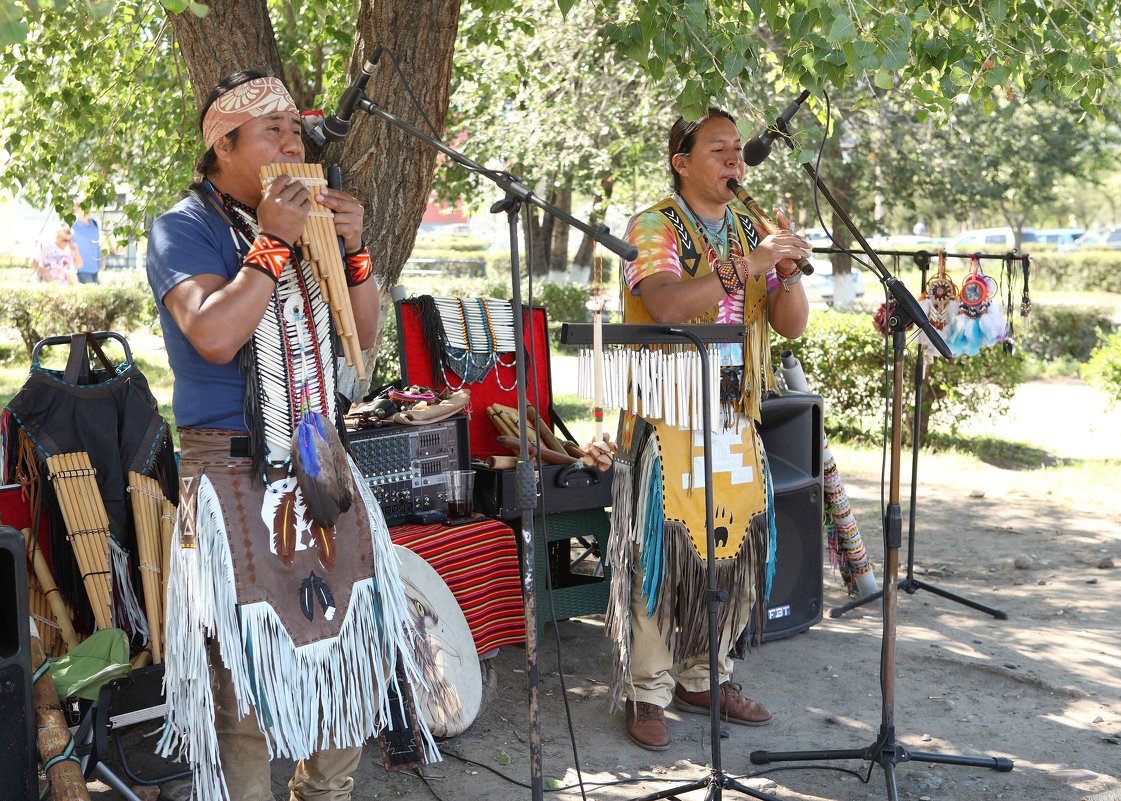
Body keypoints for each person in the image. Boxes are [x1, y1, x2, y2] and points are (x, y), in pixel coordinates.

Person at [146, 70, 434, 801]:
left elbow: (360, 338)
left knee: (348, 653)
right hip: (231, 469)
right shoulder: (183, 227)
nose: (291, 139)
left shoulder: (309, 227)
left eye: (293, 128)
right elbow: (212, 333)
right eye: (271, 128)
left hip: (319, 458)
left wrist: (355, 249)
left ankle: (324, 792)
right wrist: (272, 244)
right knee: (242, 674)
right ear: (223, 145)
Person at [607, 108, 810, 750]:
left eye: (737, 153)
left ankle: (707, 674)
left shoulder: (750, 226)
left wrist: (783, 272)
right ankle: (647, 690)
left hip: (733, 412)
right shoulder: (653, 225)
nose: (734, 161)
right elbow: (665, 303)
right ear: (681, 162)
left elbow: (792, 325)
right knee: (661, 553)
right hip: (668, 418)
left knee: (734, 544)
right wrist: (751, 264)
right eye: (718, 150)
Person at [71, 204, 104, 283]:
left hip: (95, 268)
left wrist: (103, 262)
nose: (86, 210)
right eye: (83, 207)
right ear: (76, 209)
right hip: (81, 270)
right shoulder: (72, 226)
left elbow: (99, 244)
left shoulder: (95, 223)